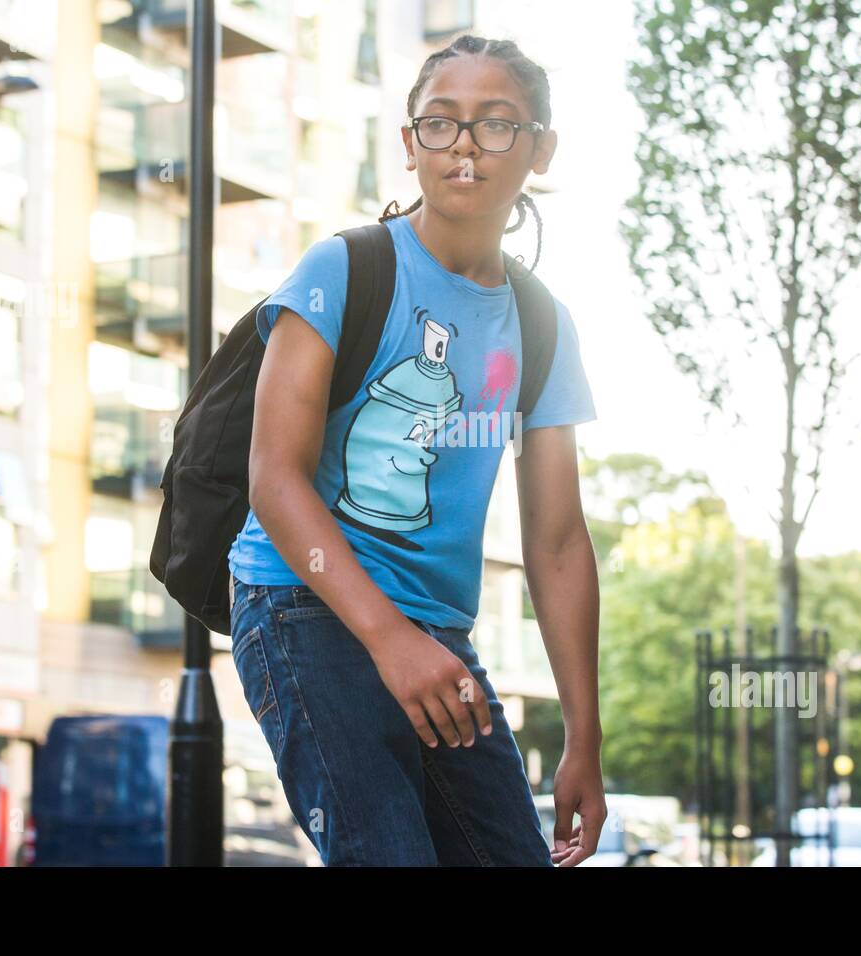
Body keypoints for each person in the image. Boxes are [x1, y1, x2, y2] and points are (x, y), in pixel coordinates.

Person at [226, 34, 605, 866]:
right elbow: (274, 479)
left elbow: (558, 541)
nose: (464, 146)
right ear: (409, 144)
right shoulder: (345, 269)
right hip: (303, 605)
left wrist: (585, 737)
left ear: (540, 149)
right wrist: (389, 639)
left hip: (437, 634)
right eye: (441, 124)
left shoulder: (540, 324)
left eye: (496, 125)